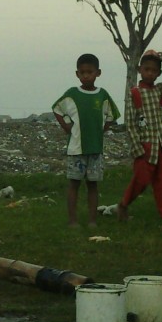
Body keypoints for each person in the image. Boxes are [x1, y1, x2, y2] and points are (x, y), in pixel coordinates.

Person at [52, 53, 121, 228]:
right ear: (77, 74)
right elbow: (57, 109)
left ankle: (92, 220)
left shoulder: (102, 95)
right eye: (82, 72)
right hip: (76, 149)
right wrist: (66, 127)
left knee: (93, 186)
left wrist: (104, 128)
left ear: (98, 73)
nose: (86, 75)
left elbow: (112, 114)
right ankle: (73, 220)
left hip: (95, 149)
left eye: (89, 72)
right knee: (74, 184)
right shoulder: (72, 94)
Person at [117, 50, 162, 221]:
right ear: (140, 70)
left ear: (159, 73)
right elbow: (131, 123)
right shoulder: (134, 93)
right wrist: (136, 147)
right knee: (141, 179)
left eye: (154, 70)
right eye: (146, 69)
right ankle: (124, 204)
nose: (150, 73)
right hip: (146, 146)